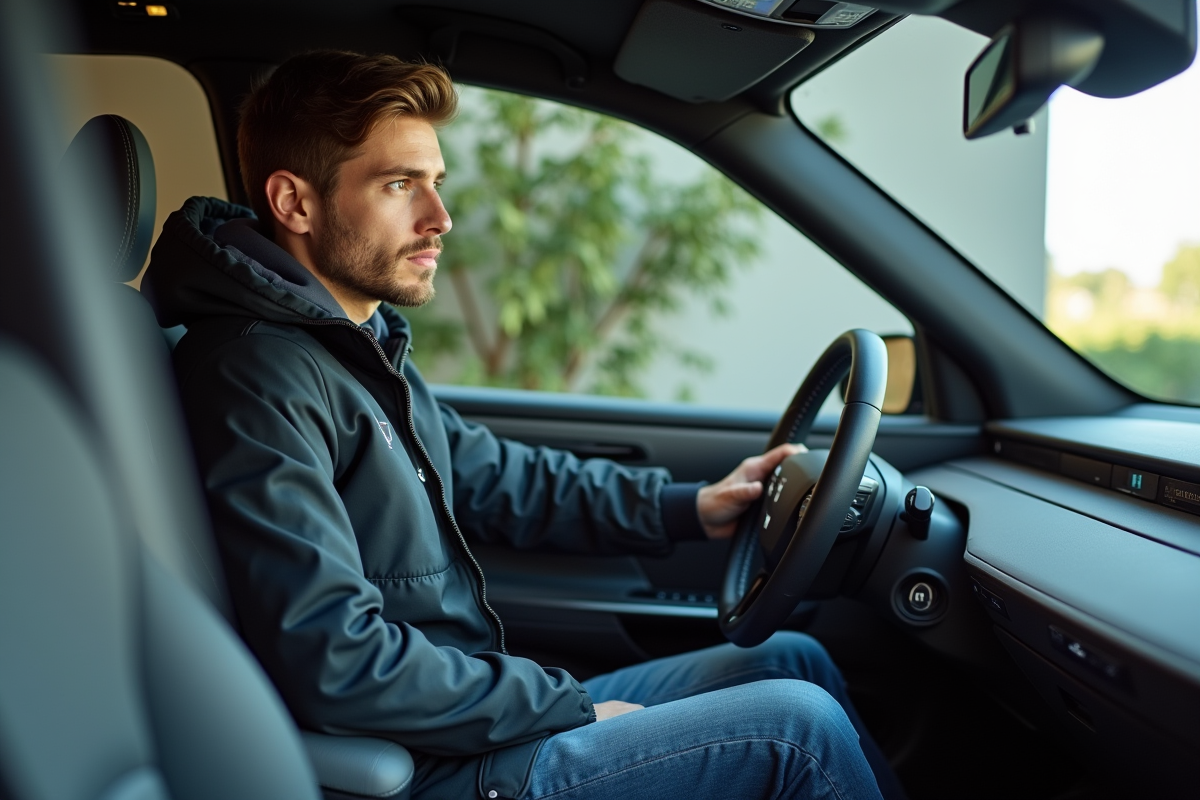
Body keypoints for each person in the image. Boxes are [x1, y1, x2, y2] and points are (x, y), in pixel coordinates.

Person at [142, 50, 903, 800]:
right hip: (425, 773)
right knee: (794, 729)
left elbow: (498, 475)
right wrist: (567, 708)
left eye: (436, 183)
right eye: (399, 185)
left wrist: (689, 507)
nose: (440, 218)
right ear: (295, 203)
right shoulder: (256, 375)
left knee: (788, 662)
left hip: (464, 731)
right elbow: (335, 659)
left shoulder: (351, 347)